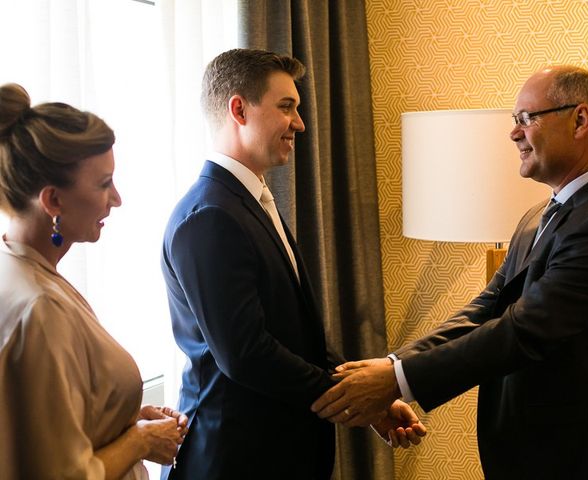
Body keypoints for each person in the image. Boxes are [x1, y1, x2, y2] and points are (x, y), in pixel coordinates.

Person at [311, 65, 588, 479]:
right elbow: (485, 309)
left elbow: (523, 329)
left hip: (584, 455)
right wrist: (395, 363)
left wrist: (397, 381)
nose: (514, 133)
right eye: (513, 121)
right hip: (528, 452)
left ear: (580, 120)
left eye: (527, 118)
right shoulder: (536, 216)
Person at [160, 48, 425, 480]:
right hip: (236, 459)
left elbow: (293, 334)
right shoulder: (210, 215)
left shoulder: (251, 201)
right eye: (287, 107)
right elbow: (246, 353)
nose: (299, 123)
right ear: (239, 109)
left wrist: (364, 397)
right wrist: (351, 397)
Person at [0, 83, 188, 480]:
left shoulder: (17, 268)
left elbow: (35, 423)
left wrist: (119, 418)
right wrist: (139, 440)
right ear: (53, 201)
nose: (116, 199)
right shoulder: (41, 307)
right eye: (104, 184)